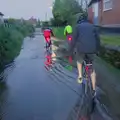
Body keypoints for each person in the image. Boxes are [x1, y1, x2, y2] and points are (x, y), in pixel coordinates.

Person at [69, 14, 100, 96]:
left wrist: (70, 51)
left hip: (81, 50)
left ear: (79, 21)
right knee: (92, 69)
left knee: (79, 60)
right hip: (92, 50)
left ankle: (79, 76)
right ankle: (93, 90)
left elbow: (73, 41)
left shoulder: (78, 27)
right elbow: (98, 40)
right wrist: (97, 50)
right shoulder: (93, 27)